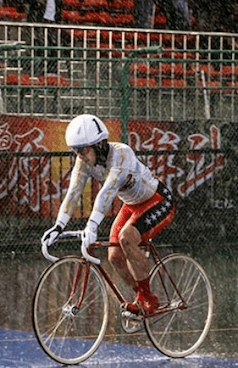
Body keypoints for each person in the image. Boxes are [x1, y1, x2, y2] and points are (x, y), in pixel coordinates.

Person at [41, 114, 175, 315]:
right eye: (76, 151)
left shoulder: (121, 154)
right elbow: (73, 193)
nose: (80, 155)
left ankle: (146, 298)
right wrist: (59, 225)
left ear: (100, 144)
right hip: (132, 205)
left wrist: (92, 225)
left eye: (83, 150)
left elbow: (107, 193)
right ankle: (142, 297)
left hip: (158, 200)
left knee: (126, 238)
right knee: (113, 256)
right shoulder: (84, 162)